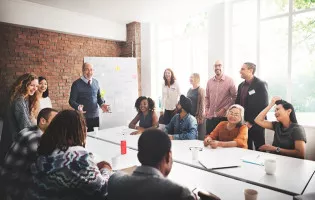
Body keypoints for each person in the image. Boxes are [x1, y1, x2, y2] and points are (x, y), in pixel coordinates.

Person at [24, 110, 113, 200]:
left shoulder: (45, 150)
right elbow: (102, 190)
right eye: (84, 127)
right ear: (78, 131)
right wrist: (106, 168)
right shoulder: (77, 158)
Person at [107, 128, 195, 200]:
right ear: (168, 156)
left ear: (138, 156)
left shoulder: (114, 182)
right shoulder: (180, 193)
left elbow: (116, 174)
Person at [0, 108, 58, 200]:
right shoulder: (35, 138)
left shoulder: (30, 129)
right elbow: (45, 166)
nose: (57, 125)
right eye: (55, 121)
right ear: (43, 121)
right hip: (15, 186)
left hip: (8, 179)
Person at [0, 73, 39, 165]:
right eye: (32, 85)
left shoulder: (23, 98)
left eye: (36, 86)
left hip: (13, 140)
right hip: (13, 141)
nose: (35, 88)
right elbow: (25, 125)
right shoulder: (19, 100)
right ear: (23, 85)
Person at [235, 62, 268, 150]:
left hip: (257, 123)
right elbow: (237, 104)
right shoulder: (240, 86)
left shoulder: (260, 84)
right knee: (246, 148)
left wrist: (251, 122)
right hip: (243, 123)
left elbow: (263, 106)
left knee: (260, 149)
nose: (240, 71)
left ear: (250, 70)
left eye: (242, 69)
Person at [69, 62, 110, 132]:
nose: (89, 72)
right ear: (82, 70)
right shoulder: (76, 84)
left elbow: (99, 97)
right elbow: (71, 101)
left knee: (96, 137)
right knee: (83, 139)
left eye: (91, 70)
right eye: (87, 70)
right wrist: (78, 107)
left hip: (95, 117)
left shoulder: (96, 82)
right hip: (83, 117)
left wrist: (102, 104)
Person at [205, 60, 237, 135]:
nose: (217, 67)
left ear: (223, 67)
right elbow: (207, 97)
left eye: (219, 65)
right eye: (215, 66)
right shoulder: (209, 82)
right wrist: (206, 109)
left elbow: (235, 97)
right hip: (210, 117)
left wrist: (225, 109)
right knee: (209, 139)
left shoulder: (230, 81)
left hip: (223, 118)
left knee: (221, 141)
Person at [187, 73, 206, 140]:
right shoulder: (189, 90)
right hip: (189, 116)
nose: (190, 79)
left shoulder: (201, 90)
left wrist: (200, 117)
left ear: (197, 79)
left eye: (192, 77)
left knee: (200, 137)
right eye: (190, 77)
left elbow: (203, 105)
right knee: (191, 136)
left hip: (197, 117)